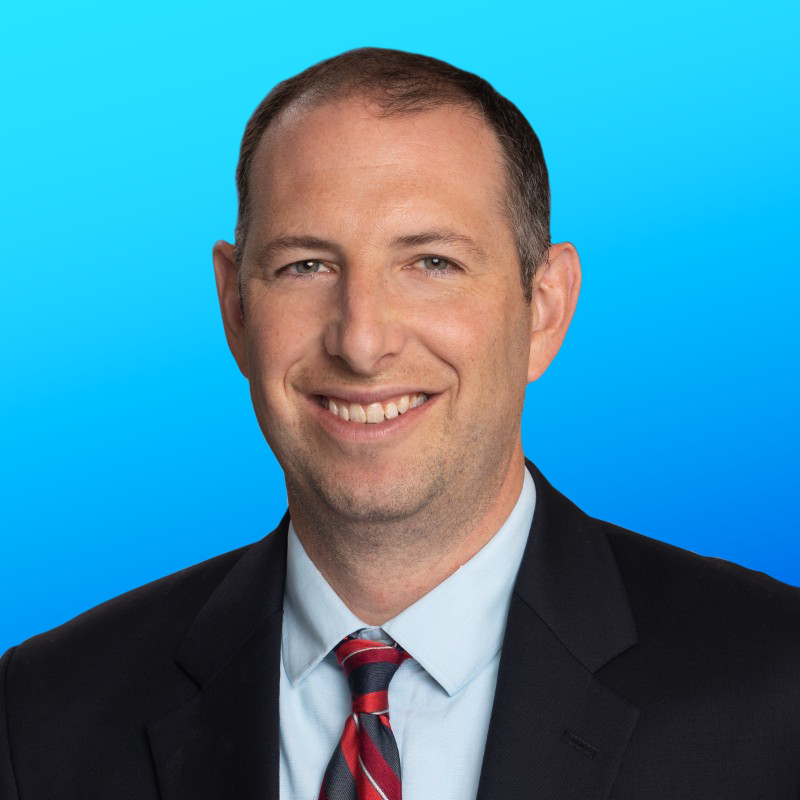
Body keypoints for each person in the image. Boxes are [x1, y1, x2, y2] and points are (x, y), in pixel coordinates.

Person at [2, 47, 799, 800]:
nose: (362, 340)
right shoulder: (42, 716)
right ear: (235, 307)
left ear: (544, 310)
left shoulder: (775, 690)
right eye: (305, 266)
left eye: (431, 263)